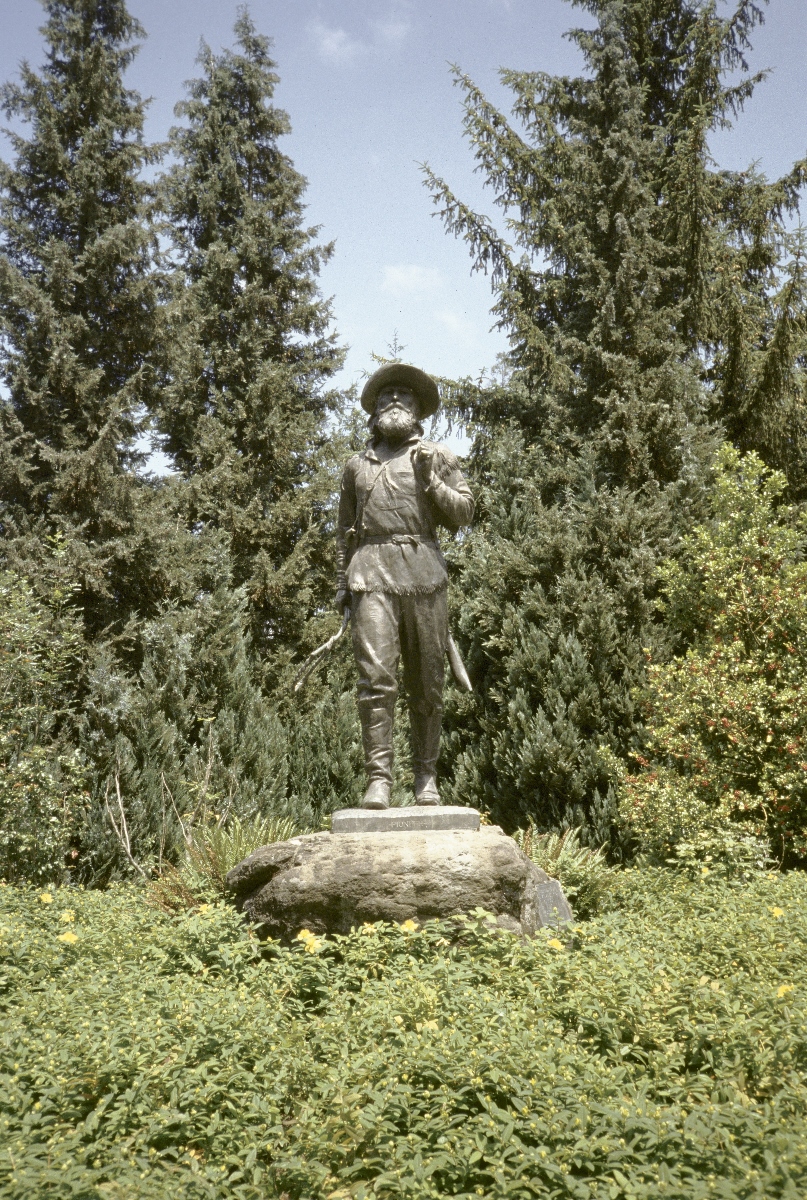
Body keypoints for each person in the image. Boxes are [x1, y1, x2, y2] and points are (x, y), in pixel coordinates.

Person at [336, 363, 474, 810]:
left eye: (404, 396)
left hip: (423, 574)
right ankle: (379, 780)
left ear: (419, 409)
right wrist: (343, 582)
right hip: (370, 573)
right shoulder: (356, 465)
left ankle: (426, 779)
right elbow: (343, 531)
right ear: (373, 409)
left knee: (428, 684)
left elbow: (464, 514)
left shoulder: (438, 455)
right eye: (385, 395)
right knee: (375, 681)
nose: (394, 401)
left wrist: (431, 480)